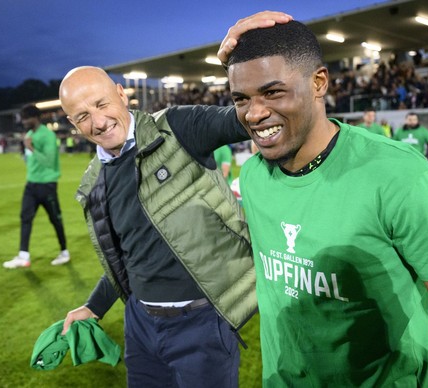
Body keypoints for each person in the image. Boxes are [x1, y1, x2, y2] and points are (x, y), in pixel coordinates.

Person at [219, 13, 428, 387]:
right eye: (241, 98)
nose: (255, 112)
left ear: (319, 83)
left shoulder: (400, 178)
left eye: (273, 92)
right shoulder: (256, 176)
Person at [57, 64, 271, 387]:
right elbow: (128, 253)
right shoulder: (94, 182)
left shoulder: (177, 128)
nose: (98, 122)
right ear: (72, 123)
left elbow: (247, 118)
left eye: (101, 105)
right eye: (83, 116)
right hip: (140, 327)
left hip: (202, 323)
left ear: (120, 94)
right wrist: (94, 306)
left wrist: (248, 55)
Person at [2, 104, 70, 268]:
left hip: (47, 185)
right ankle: (23, 256)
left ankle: (64, 252)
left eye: (26, 118)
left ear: (36, 118)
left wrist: (31, 147)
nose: (24, 121)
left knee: (55, 219)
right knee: (25, 218)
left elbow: (48, 161)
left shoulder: (47, 135)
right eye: (23, 118)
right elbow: (29, 160)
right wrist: (26, 151)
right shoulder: (30, 134)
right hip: (31, 184)